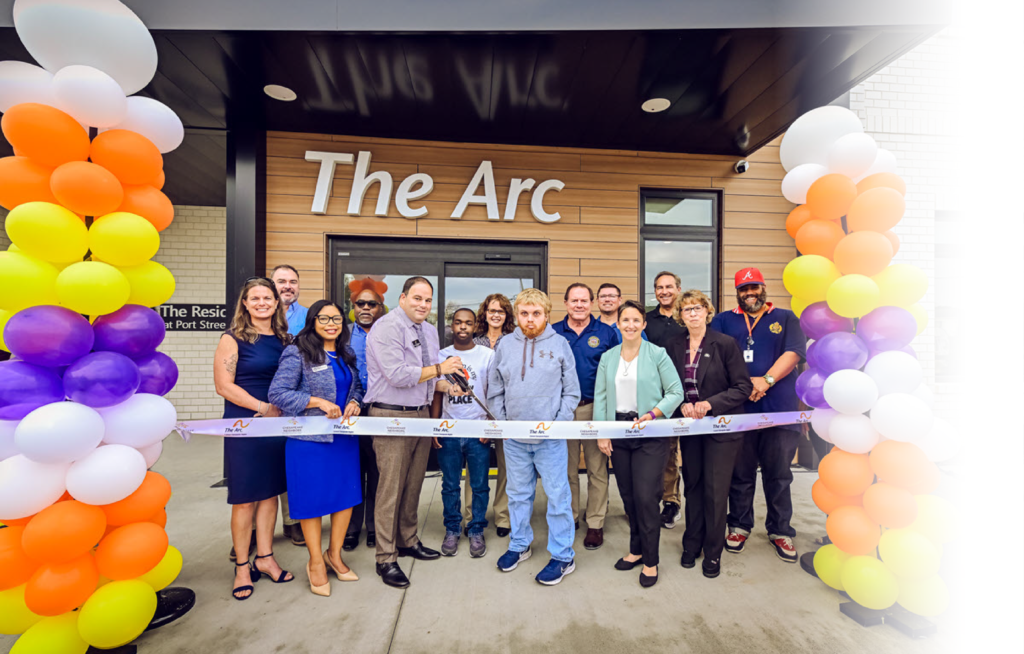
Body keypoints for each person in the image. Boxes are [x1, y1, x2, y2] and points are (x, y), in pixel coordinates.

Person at [364, 276, 465, 588]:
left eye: (428, 300)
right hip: (390, 415)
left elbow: (429, 377)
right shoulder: (386, 327)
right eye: (417, 298)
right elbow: (397, 375)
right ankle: (386, 558)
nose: (423, 305)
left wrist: (448, 386)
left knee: (412, 485)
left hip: (420, 415)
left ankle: (408, 541)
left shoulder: (429, 330)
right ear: (403, 298)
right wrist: (441, 370)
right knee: (390, 488)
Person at [268, 301, 364, 597]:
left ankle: (334, 555)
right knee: (311, 502)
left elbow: (357, 386)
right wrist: (317, 402)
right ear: (313, 321)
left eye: (336, 318)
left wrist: (355, 403)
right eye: (324, 318)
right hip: (309, 442)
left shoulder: (346, 354)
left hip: (343, 440)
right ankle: (314, 561)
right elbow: (278, 393)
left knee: (344, 498)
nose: (331, 323)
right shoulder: (297, 352)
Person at [711, 268, 806, 563]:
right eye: (743, 288)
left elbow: (793, 353)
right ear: (736, 291)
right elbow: (717, 357)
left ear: (763, 288)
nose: (749, 293)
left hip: (779, 409)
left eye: (754, 287)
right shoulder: (724, 320)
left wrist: (766, 380)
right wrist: (744, 384)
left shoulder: (786, 318)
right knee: (740, 474)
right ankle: (739, 525)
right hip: (739, 410)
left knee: (779, 475)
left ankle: (780, 531)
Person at [488, 288, 581, 586]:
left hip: (550, 439)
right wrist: (504, 425)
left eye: (536, 314)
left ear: (546, 315)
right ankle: (519, 544)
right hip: (514, 439)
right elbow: (495, 389)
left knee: (557, 497)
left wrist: (557, 424)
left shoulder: (561, 344)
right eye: (524, 313)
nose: (530, 320)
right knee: (517, 494)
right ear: (517, 315)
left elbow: (571, 392)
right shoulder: (504, 345)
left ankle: (563, 554)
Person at [213, 277, 294, 600]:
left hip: (277, 425)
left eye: (267, 297)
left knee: (270, 493)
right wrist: (262, 407)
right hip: (246, 424)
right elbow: (223, 385)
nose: (262, 303)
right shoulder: (233, 339)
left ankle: (266, 558)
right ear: (244, 304)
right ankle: (243, 566)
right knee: (245, 497)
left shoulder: (286, 340)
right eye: (254, 298)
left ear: (277, 303)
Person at [594, 300, 683, 588]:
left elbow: (675, 392)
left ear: (644, 325)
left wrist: (652, 413)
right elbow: (601, 397)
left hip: (650, 433)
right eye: (625, 320)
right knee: (629, 496)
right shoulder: (608, 357)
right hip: (619, 433)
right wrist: (602, 432)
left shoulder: (657, 354)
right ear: (617, 324)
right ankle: (636, 550)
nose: (630, 325)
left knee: (646, 497)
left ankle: (651, 560)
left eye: (636, 320)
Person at [665, 290, 753, 579]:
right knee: (693, 487)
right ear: (680, 315)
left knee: (716, 492)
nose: (692, 313)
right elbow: (668, 386)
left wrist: (709, 404)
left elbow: (742, 387)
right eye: (686, 309)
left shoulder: (725, 344)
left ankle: (713, 553)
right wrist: (681, 405)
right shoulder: (673, 345)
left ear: (707, 311)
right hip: (690, 428)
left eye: (697, 308)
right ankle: (692, 544)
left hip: (720, 429)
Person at [553, 283, 619, 550]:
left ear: (591, 303)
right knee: (566, 470)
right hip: (562, 410)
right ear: (566, 303)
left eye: (584, 300)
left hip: (595, 408)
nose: (579, 305)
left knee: (597, 469)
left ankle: (595, 523)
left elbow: (615, 374)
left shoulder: (606, 333)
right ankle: (570, 518)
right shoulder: (553, 332)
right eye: (574, 300)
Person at [431, 308, 494, 558]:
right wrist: (434, 426)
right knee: (449, 485)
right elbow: (435, 393)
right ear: (452, 325)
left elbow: (493, 391)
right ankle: (452, 529)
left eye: (468, 323)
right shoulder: (441, 356)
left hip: (478, 429)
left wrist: (490, 425)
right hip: (450, 429)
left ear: (475, 325)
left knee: (479, 485)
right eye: (458, 323)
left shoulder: (487, 355)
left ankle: (476, 529)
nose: (463, 327)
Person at [342, 288, 386, 552]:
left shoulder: (388, 332)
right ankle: (351, 528)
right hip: (350, 410)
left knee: (378, 471)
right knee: (353, 471)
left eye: (372, 303)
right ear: (353, 306)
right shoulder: (342, 333)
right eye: (361, 303)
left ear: (380, 307)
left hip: (380, 409)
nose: (366, 308)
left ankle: (373, 527)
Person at [643, 271, 686, 530]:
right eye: (659, 287)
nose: (664, 291)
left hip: (692, 396)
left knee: (690, 453)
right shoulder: (647, 321)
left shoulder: (689, 317)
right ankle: (668, 501)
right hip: (658, 398)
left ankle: (681, 501)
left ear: (678, 289)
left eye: (669, 286)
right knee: (665, 452)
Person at [471, 293, 516, 538]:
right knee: (475, 468)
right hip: (477, 414)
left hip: (505, 413)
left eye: (501, 311)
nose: (496, 314)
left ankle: (503, 516)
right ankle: (471, 516)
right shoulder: (473, 341)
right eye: (492, 310)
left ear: (507, 315)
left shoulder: (514, 341)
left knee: (506, 466)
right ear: (485, 313)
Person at [271, 264, 307, 546]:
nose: (287, 286)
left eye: (292, 282)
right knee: (263, 464)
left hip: (297, 400)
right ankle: (256, 532)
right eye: (281, 281)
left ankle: (292, 521)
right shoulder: (256, 314)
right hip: (260, 399)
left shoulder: (307, 317)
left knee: (291, 462)